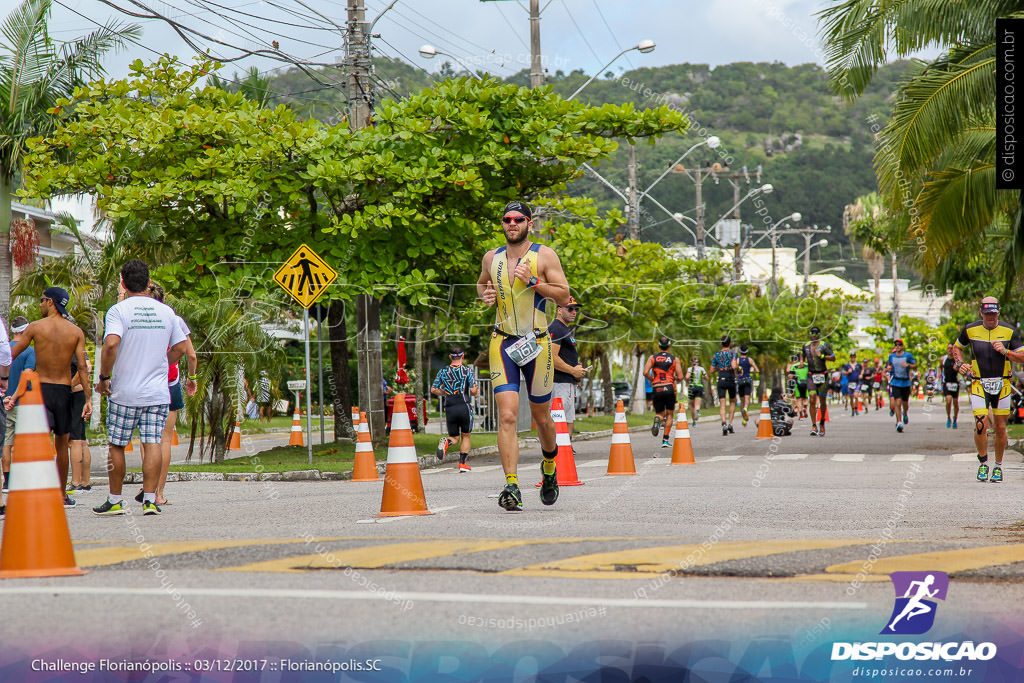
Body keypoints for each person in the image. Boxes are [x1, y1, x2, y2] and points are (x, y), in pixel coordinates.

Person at [477, 201, 570, 511]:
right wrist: (485, 295)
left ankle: (549, 467)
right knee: (507, 415)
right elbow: (481, 284)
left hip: (538, 344)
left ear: (529, 223)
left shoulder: (544, 255)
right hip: (502, 343)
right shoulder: (492, 258)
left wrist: (533, 281)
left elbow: (563, 295)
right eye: (507, 219)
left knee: (541, 417)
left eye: (518, 219)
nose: (512, 224)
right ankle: (512, 485)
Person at [92, 260, 188, 516]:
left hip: (125, 393)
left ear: (123, 283)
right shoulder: (166, 312)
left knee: (117, 445)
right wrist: (160, 363)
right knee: (153, 442)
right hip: (157, 393)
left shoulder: (118, 310)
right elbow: (180, 348)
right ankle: (149, 500)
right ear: (148, 283)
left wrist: (103, 377)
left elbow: (111, 344)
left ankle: (114, 500)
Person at [7, 287, 91, 508]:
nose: (40, 304)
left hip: (41, 392)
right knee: (62, 446)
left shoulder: (35, 327)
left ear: (51, 302)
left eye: (42, 300)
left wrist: (4, 381)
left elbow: (10, 355)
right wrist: (89, 398)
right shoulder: (75, 332)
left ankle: (37, 491)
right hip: (63, 392)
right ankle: (62, 494)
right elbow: (82, 367)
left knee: (39, 442)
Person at [950, 297, 1024, 483]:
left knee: (1000, 427)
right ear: (980, 312)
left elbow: (1022, 357)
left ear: (998, 312)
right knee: (981, 423)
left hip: (1003, 383)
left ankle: (998, 467)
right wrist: (960, 364)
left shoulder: (1009, 331)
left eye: (994, 313)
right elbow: (956, 349)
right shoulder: (970, 329)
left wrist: (1006, 352)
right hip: (979, 383)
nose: (990, 317)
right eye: (987, 313)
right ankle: (983, 463)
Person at [142, 283, 197, 506]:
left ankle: (146, 490)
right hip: (170, 381)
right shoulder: (174, 319)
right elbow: (191, 355)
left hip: (145, 381)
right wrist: (192, 378)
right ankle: (158, 494)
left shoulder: (139, 319)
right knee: (164, 439)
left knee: (147, 439)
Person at [431, 345, 480, 472]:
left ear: (450, 357)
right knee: (466, 436)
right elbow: (473, 390)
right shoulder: (467, 371)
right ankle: (462, 464)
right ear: (462, 356)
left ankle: (446, 442)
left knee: (454, 437)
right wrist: (476, 392)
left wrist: (445, 393)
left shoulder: (443, 371)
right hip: (464, 406)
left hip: (450, 408)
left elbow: (434, 389)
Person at [548, 296, 588, 438]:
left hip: (568, 382)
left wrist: (576, 370)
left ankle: (566, 449)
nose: (574, 312)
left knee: (569, 419)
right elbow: (552, 357)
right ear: (559, 310)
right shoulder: (556, 328)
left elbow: (564, 355)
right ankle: (555, 452)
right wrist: (573, 370)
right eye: (570, 308)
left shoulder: (565, 329)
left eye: (576, 309)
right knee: (559, 419)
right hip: (559, 383)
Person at [0, 317, 27, 513]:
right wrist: (11, 393)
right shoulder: (29, 350)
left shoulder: (9, 345)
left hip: (6, 400)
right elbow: (28, 376)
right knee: (21, 442)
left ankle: (7, 481)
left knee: (6, 444)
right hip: (20, 402)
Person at [643, 336, 683, 448]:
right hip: (669, 387)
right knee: (670, 414)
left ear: (659, 346)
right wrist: (674, 378)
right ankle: (665, 439)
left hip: (657, 388)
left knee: (659, 413)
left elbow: (645, 372)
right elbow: (680, 376)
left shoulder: (652, 358)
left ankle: (658, 420)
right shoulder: (675, 359)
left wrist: (653, 380)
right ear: (669, 345)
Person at [803, 326, 835, 436]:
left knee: (822, 401)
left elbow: (833, 357)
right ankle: (813, 425)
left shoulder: (824, 345)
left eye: (816, 333)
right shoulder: (806, 346)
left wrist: (822, 356)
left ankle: (822, 422)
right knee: (812, 399)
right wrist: (802, 362)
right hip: (811, 375)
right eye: (812, 333)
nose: (813, 335)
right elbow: (802, 356)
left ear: (819, 335)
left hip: (823, 375)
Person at [68, 354, 93, 493]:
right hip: (80, 394)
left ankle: (76, 481)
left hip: (75, 395)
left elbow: (87, 367)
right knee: (82, 440)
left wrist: (70, 385)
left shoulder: (71, 346)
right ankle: (85, 482)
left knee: (74, 440)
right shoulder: (78, 346)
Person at [886, 338, 917, 433]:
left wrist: (908, 365)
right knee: (897, 402)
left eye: (899, 345)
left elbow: (915, 365)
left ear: (902, 346)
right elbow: (888, 366)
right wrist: (889, 368)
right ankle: (899, 422)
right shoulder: (891, 356)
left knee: (905, 403)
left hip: (905, 382)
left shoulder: (908, 355)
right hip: (895, 382)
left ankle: (905, 413)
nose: (897, 346)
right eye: (896, 345)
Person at [711, 335, 738, 437]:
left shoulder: (716, 355)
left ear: (721, 343)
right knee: (732, 401)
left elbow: (711, 370)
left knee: (722, 403)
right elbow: (734, 366)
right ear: (730, 343)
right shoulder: (733, 354)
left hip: (721, 379)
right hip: (730, 379)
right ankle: (730, 424)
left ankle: (723, 423)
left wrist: (720, 367)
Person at [734, 345, 759, 427]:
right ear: (747, 352)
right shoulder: (750, 360)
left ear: (740, 352)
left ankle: (744, 419)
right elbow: (757, 370)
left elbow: (734, 370)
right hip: (748, 380)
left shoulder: (737, 360)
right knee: (747, 399)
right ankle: (745, 409)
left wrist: (737, 375)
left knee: (742, 401)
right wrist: (752, 373)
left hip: (740, 381)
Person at [941, 345, 960, 429]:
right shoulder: (943, 359)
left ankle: (955, 419)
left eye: (951, 348)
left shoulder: (957, 359)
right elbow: (940, 368)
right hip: (947, 382)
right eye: (948, 348)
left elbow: (961, 369)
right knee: (948, 400)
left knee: (955, 402)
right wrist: (940, 377)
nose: (949, 350)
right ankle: (948, 417)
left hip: (955, 383)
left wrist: (958, 368)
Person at [684, 355, 707, 426]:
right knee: (697, 404)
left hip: (692, 387)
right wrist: (702, 376)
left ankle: (694, 421)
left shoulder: (690, 369)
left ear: (691, 362)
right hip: (699, 387)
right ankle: (697, 411)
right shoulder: (701, 369)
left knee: (691, 405)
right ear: (697, 361)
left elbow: (687, 377)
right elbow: (707, 378)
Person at [787, 352, 809, 419]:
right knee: (805, 398)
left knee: (798, 399)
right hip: (806, 383)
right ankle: (805, 407)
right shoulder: (808, 365)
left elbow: (790, 376)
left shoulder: (794, 366)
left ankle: (801, 414)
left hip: (798, 384)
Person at [842, 352, 863, 416]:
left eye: (854, 356)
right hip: (850, 382)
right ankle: (852, 409)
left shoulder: (858, 365)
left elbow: (862, 370)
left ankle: (856, 408)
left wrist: (861, 374)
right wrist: (848, 372)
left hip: (857, 382)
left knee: (856, 395)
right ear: (850, 357)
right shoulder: (847, 365)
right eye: (852, 356)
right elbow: (843, 373)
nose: (853, 358)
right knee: (851, 397)